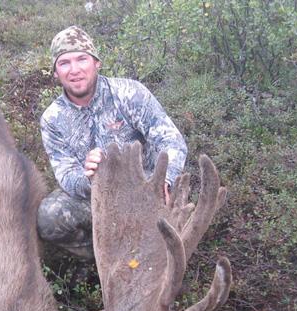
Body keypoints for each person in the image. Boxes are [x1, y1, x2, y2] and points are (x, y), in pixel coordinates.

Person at [37, 25, 188, 260]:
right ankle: (106, 258)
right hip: (98, 201)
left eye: (82, 59)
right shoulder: (52, 119)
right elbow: (66, 176)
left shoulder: (130, 93)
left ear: (97, 63)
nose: (74, 70)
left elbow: (172, 141)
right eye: (64, 63)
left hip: (146, 193)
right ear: (55, 72)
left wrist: (164, 182)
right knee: (49, 218)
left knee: (165, 244)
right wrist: (89, 177)